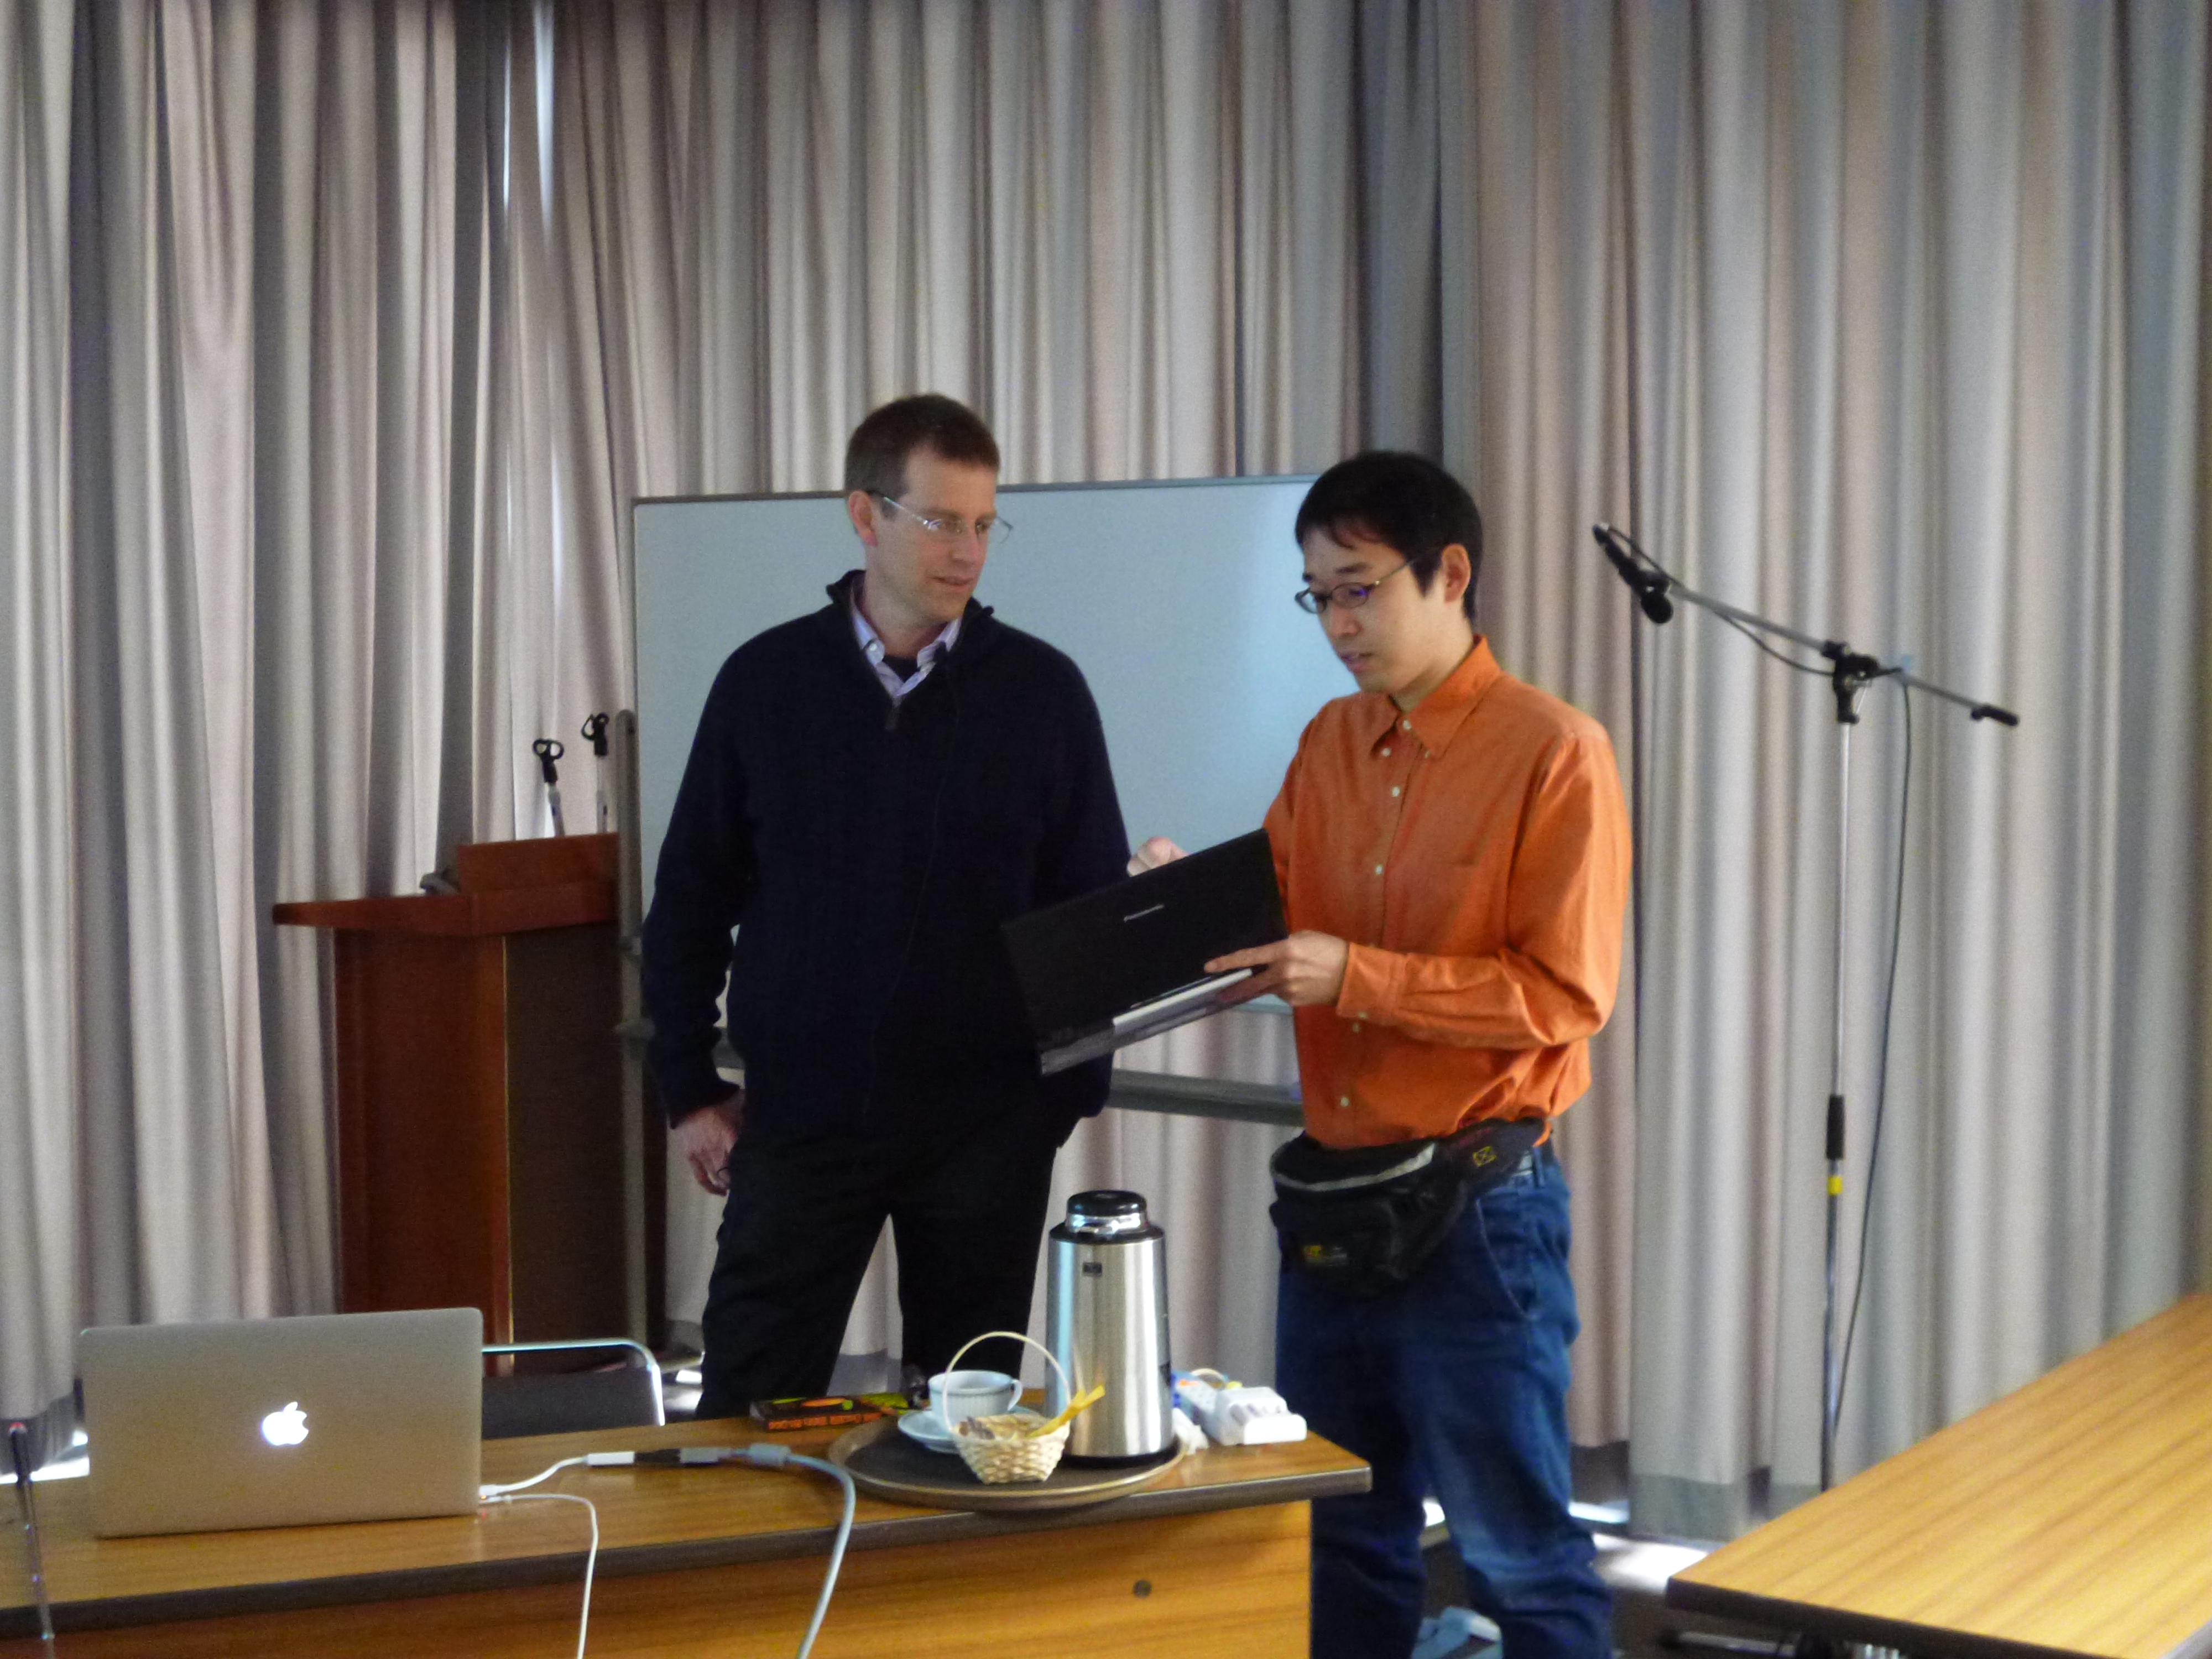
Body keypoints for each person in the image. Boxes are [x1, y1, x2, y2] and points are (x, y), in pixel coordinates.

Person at [1134, 452, 1630, 1659]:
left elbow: (1565, 995)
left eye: (1359, 589)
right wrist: (1183, 904)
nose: (1338, 625)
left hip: (1475, 1209)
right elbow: (1279, 917)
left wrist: (1355, 975)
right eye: (1319, 597)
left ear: (1449, 573)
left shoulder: (1554, 750)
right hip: (1334, 1205)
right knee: (1338, 1529)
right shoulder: (1330, 740)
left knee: (1516, 1553)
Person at [644, 394, 1128, 1420]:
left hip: (987, 1127)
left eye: (985, 524)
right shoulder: (766, 683)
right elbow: (690, 894)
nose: (968, 552)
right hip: (804, 1115)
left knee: (968, 1421)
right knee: (746, 1405)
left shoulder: (1043, 693)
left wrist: (1062, 1101)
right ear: (865, 516)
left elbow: (1090, 911)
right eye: (941, 521)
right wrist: (688, 1087)